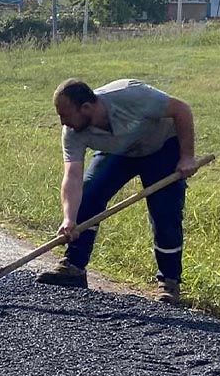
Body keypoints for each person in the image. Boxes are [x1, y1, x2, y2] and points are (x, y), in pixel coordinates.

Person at [37, 78, 202, 304]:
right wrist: (69, 219)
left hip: (161, 146)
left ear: (86, 108)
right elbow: (73, 175)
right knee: (89, 193)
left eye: (65, 115)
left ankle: (170, 283)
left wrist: (187, 157)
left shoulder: (132, 95)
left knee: (165, 212)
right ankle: (73, 267)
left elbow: (181, 109)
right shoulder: (72, 131)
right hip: (119, 152)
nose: (62, 122)